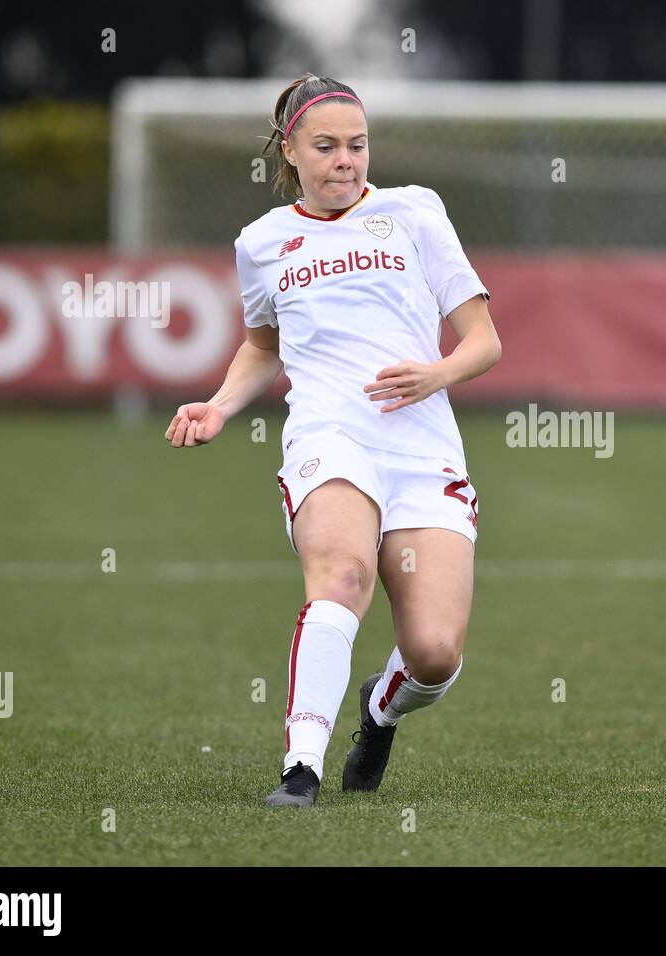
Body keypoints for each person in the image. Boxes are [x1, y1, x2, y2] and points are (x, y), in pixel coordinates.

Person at [164, 73, 502, 808]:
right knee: (343, 576)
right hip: (330, 435)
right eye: (326, 147)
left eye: (357, 144)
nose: (346, 160)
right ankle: (302, 769)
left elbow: (484, 343)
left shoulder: (414, 213)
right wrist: (220, 406)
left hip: (421, 446)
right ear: (290, 151)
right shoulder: (262, 242)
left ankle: (380, 711)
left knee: (435, 655)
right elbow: (262, 344)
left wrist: (434, 373)